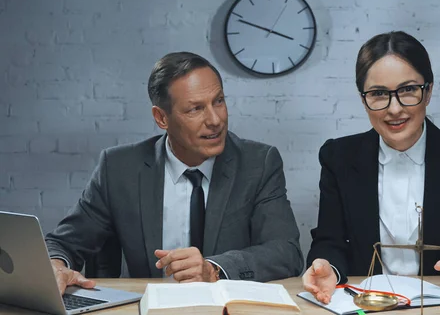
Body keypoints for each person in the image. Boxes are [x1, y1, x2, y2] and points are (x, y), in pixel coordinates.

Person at [45, 52, 303, 294]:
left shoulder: (258, 163)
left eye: (219, 101)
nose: (215, 120)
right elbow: (64, 243)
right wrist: (56, 265)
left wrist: (214, 269)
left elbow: (286, 252)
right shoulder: (118, 168)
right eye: (195, 109)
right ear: (161, 118)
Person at [303, 31, 440, 304]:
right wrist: (330, 269)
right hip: (367, 307)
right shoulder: (338, 158)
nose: (395, 109)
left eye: (408, 90)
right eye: (378, 94)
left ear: (429, 91)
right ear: (364, 100)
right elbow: (329, 241)